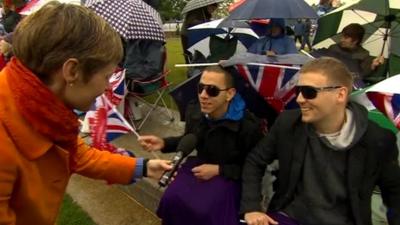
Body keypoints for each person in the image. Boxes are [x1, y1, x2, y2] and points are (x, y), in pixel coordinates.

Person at [0, 3, 172, 225]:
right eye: (107, 76)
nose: (108, 88)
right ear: (72, 71)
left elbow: (79, 155)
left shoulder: (43, 109)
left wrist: (143, 167)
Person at [241, 57, 400, 225]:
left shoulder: (377, 139)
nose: (300, 99)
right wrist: (251, 207)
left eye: (309, 92)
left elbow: (395, 192)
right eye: (298, 91)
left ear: (340, 94)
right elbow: (255, 160)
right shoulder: (288, 123)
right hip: (289, 216)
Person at [139, 65, 264, 225]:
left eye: (212, 90)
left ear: (230, 94)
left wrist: (219, 170)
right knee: (171, 198)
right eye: (200, 88)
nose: (203, 95)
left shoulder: (248, 127)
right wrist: (164, 143)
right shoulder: (195, 112)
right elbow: (190, 138)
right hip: (199, 167)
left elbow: (253, 167)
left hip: (230, 175)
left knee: (204, 210)